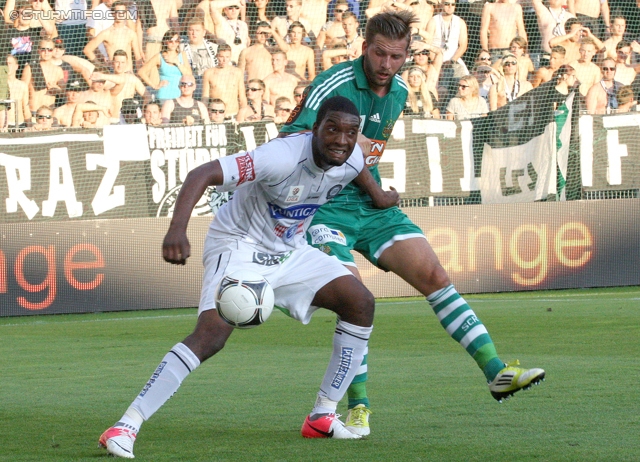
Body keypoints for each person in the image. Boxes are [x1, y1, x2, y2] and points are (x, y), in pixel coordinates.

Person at [281, 9, 545, 437]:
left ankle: (496, 371)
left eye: (397, 56)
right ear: (365, 48)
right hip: (324, 205)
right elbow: (290, 136)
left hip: (370, 202)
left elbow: (366, 156)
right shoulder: (333, 84)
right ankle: (358, 406)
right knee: (355, 297)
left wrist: (371, 185)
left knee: (434, 274)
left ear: (407, 55)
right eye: (380, 54)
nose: (387, 64)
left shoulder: (400, 91)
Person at [99, 96, 375, 458]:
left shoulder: (351, 156)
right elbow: (203, 173)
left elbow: (358, 170)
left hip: (289, 250)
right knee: (212, 335)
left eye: (350, 132)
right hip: (237, 245)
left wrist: (380, 195)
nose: (341, 139)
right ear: (315, 129)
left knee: (360, 303)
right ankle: (126, 425)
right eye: (332, 129)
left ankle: (322, 416)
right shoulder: (281, 156)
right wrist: (177, 230)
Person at [83, 1, 144, 71]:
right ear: (112, 13)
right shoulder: (106, 33)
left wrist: (138, 77)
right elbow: (87, 50)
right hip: (112, 73)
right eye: (118, 12)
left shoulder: (131, 34)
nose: (121, 14)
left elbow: (138, 58)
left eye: (123, 12)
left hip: (128, 74)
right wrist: (100, 66)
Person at [138, 29, 192, 104]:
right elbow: (141, 72)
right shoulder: (159, 57)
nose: (173, 43)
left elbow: (189, 75)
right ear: (165, 42)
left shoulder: (182, 55)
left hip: (179, 95)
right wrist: (154, 86)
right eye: (170, 41)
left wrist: (176, 62)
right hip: (164, 95)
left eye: (176, 41)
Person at [425, 0, 469, 91]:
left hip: (454, 60)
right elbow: (427, 45)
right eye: (447, 4)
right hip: (436, 59)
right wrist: (436, 62)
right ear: (441, 4)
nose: (450, 6)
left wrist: (452, 61)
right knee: (435, 87)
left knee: (466, 82)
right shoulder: (433, 21)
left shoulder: (460, 22)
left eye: (452, 4)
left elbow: (463, 46)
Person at [202, 43, 247, 119]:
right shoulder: (209, 73)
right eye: (221, 56)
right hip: (216, 115)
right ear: (217, 56)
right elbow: (205, 98)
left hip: (233, 114)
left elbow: (242, 97)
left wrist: (242, 115)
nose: (224, 60)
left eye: (227, 57)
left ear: (230, 57)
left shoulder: (237, 72)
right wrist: (205, 117)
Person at [21, 38, 64, 112]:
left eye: (49, 49)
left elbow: (64, 93)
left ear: (53, 51)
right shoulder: (30, 68)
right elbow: (21, 91)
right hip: (34, 111)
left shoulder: (58, 70)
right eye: (43, 49)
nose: (46, 52)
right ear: (38, 50)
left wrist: (57, 89)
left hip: (50, 112)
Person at [181, 19, 219, 100]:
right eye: (191, 30)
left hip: (211, 89)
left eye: (197, 30)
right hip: (191, 89)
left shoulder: (215, 48)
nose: (194, 33)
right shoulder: (181, 48)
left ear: (204, 32)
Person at [7, 54, 31, 129]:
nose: (7, 66)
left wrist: (29, 125)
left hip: (19, 125)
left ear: (16, 66)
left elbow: (25, 107)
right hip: (3, 126)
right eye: (5, 64)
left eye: (9, 63)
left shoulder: (22, 85)